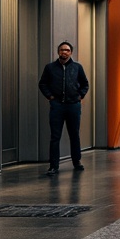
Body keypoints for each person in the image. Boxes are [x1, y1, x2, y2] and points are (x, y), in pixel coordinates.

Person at [38, 41, 89, 175]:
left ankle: (76, 161)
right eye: (61, 50)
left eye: (67, 50)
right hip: (57, 106)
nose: (64, 52)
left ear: (71, 52)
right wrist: (50, 97)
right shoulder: (50, 68)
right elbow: (42, 84)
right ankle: (53, 166)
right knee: (55, 136)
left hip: (73, 106)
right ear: (58, 52)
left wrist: (80, 96)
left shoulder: (77, 67)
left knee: (74, 135)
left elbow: (85, 84)